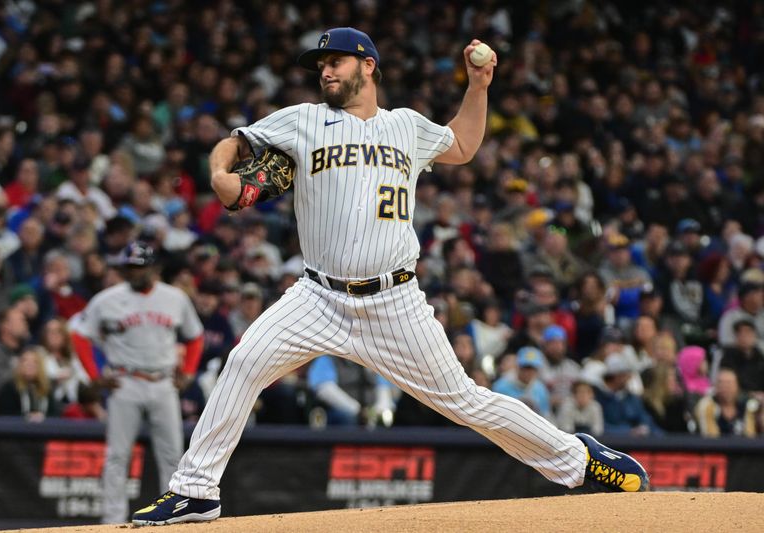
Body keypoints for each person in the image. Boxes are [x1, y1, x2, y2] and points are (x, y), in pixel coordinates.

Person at [132, 28, 648, 526]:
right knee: (243, 362)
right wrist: (221, 173)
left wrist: (478, 86)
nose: (325, 71)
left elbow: (464, 146)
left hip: (393, 302)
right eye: (320, 66)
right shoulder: (304, 119)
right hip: (316, 295)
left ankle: (580, 458)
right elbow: (234, 143)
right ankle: (194, 492)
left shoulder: (405, 125)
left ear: (368, 65)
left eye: (335, 61)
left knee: (466, 400)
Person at [70, 241, 204, 524]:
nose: (133, 273)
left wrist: (189, 370)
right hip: (125, 382)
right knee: (118, 456)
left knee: (172, 457)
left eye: (139, 267)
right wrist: (95, 375)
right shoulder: (106, 299)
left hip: (163, 382)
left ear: (154, 269)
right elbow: (80, 335)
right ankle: (112, 521)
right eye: (129, 268)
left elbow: (195, 335)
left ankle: (172, 517)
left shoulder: (174, 298)